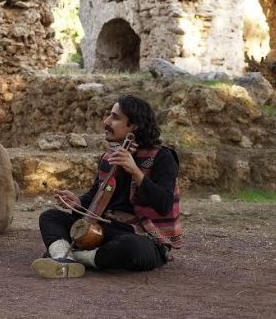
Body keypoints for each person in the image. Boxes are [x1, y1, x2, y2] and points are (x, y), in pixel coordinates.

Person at [31, 94, 182, 278]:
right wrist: (76, 202)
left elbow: (164, 204)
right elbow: (96, 198)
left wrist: (135, 171)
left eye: (115, 117)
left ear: (134, 126)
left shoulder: (162, 157)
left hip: (143, 237)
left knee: (132, 247)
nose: (106, 121)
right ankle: (67, 261)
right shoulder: (108, 157)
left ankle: (73, 257)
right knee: (49, 217)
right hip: (105, 230)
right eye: (110, 115)